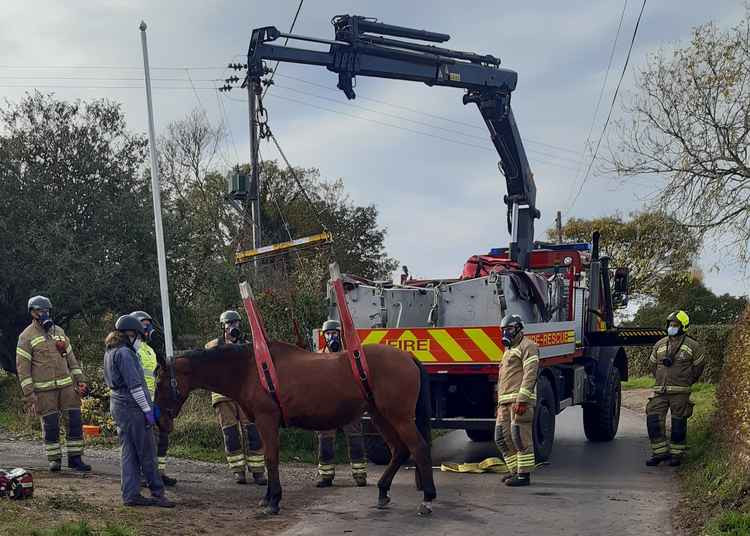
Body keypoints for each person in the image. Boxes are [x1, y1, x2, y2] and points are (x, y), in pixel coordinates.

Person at [104, 314, 174, 508]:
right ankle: (158, 494)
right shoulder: (125, 353)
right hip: (132, 406)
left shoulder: (110, 350)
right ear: (130, 334)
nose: (140, 341)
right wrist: (147, 412)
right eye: (139, 336)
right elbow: (135, 387)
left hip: (118, 405)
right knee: (147, 452)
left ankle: (131, 494)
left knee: (129, 452)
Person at [16, 295, 91, 472]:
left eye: (47, 311)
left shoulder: (59, 332)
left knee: (74, 420)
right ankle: (54, 460)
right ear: (32, 313)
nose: (44, 313)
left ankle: (75, 459)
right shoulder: (26, 337)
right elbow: (22, 368)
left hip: (66, 387)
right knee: (50, 425)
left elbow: (71, 358)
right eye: (41, 311)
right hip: (44, 391)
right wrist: (29, 393)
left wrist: (80, 380)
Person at [206, 310, 267, 485]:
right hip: (223, 397)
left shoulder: (248, 346)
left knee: (253, 433)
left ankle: (258, 471)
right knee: (230, 434)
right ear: (223, 326)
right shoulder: (212, 346)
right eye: (229, 324)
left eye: (236, 323)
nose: (233, 327)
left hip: (244, 397)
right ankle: (238, 471)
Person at [645, 310, 705, 467]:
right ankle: (659, 454)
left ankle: (676, 455)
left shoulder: (693, 346)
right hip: (660, 391)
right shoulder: (659, 344)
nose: (671, 327)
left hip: (680, 392)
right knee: (653, 419)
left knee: (678, 423)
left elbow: (699, 367)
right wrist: (660, 378)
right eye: (670, 324)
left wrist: (687, 380)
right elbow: (652, 365)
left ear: (683, 326)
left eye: (675, 325)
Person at [315, 319, 367, 488]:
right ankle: (326, 476)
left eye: (335, 333)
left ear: (340, 335)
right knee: (325, 438)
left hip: (348, 403)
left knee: (354, 437)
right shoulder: (317, 356)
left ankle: (360, 475)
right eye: (328, 334)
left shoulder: (351, 355)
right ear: (324, 336)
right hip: (325, 405)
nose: (332, 337)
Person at [131, 310, 177, 487]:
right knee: (145, 439)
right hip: (138, 401)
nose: (147, 327)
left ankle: (159, 472)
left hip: (153, 400)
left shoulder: (150, 350)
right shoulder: (132, 350)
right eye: (144, 323)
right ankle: (144, 474)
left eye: (149, 323)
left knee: (162, 434)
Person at [494, 314, 539, 487]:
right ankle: (513, 471)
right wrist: (499, 403)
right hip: (505, 403)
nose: (506, 333)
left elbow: (530, 375)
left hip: (519, 402)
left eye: (510, 329)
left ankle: (523, 475)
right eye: (504, 330)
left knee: (519, 437)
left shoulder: (529, 346)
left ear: (519, 329)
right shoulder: (508, 350)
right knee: (501, 437)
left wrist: (522, 399)